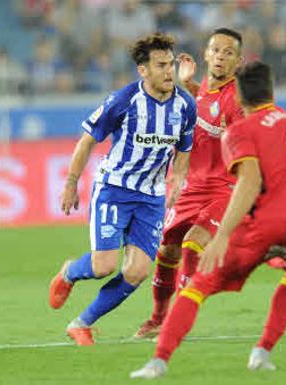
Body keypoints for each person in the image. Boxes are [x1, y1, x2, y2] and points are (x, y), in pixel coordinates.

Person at [131, 61, 286, 379]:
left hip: (271, 224)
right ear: (271, 90)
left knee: (199, 285)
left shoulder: (242, 129)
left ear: (240, 98)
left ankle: (158, 361)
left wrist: (222, 236)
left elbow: (248, 183)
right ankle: (261, 353)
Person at [48, 32, 197, 346]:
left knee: (137, 272)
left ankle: (81, 324)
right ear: (143, 70)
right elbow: (87, 140)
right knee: (104, 266)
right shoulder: (124, 100)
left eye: (171, 64)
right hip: (115, 188)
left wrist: (177, 179)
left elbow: (184, 150)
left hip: (152, 198)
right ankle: (69, 273)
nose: (169, 71)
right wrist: (71, 184)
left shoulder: (185, 105)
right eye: (160, 65)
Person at [133, 27, 245, 339]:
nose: (221, 56)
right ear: (207, 54)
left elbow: (240, 141)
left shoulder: (239, 98)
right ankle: (157, 317)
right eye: (216, 50)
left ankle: (178, 320)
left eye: (228, 52)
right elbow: (205, 105)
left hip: (223, 188)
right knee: (167, 252)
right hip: (191, 187)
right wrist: (188, 85)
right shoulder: (206, 88)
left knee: (193, 243)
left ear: (238, 61)